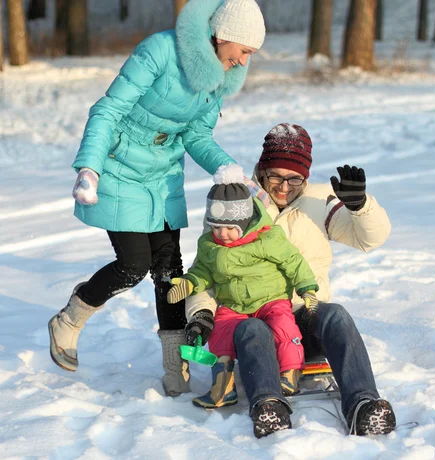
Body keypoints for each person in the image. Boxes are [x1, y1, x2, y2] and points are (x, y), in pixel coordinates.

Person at [47, 0, 267, 397]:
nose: (245, 61)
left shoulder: (218, 77)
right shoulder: (161, 51)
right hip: (118, 167)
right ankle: (72, 316)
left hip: (163, 176)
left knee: (171, 273)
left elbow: (197, 136)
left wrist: (228, 169)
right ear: (225, 35)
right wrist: (89, 167)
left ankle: (174, 359)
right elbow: (108, 109)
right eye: (245, 51)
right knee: (134, 264)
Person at [184, 123, 397, 438]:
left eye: (294, 179)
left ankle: (363, 404)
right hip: (252, 323)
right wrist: (200, 313)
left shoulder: (320, 201)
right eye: (275, 177)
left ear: (305, 177)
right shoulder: (236, 204)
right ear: (261, 169)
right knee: (252, 328)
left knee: (335, 312)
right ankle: (269, 406)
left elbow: (369, 239)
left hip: (301, 316)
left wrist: (360, 208)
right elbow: (206, 270)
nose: (284, 187)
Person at [166, 164, 319, 410]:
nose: (222, 234)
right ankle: (222, 386)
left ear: (244, 222)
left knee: (283, 326)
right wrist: (189, 283)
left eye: (229, 228)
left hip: (271, 299)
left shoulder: (268, 238)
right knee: (220, 332)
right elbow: (204, 271)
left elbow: (294, 262)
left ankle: (290, 372)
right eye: (216, 227)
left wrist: (307, 289)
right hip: (234, 304)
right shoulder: (210, 244)